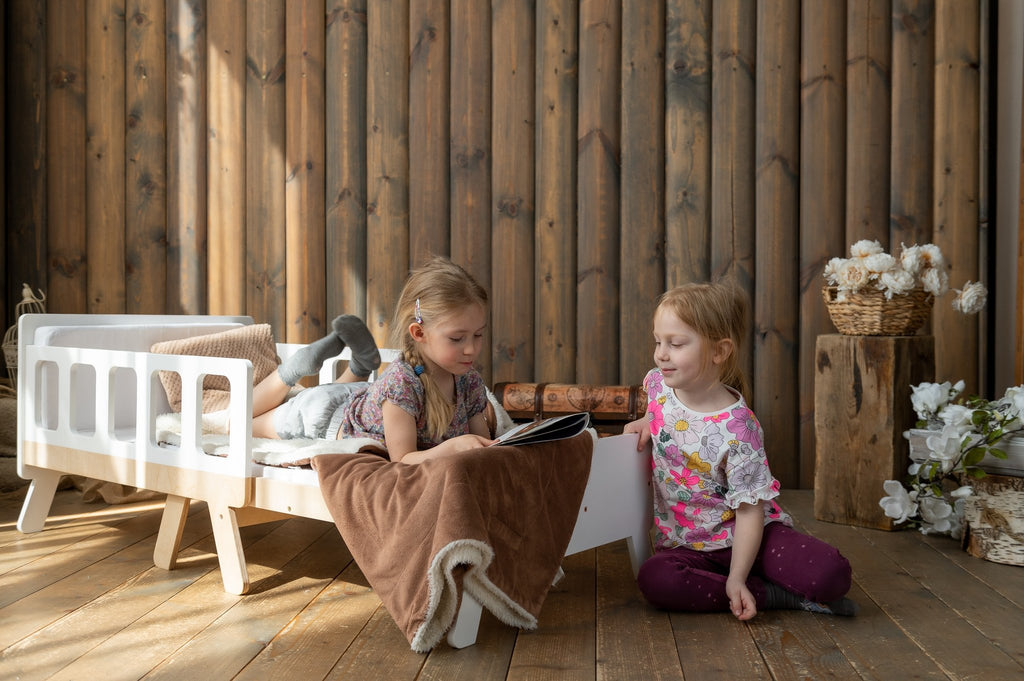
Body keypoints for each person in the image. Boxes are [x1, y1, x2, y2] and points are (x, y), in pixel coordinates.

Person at [623, 282, 856, 620]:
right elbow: (662, 412)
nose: (661, 353)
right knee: (657, 580)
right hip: (688, 544)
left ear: (719, 351)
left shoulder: (739, 429)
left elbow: (749, 512)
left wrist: (736, 575)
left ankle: (746, 580)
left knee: (832, 574)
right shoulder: (658, 385)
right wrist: (647, 419)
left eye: (675, 344)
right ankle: (774, 594)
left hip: (749, 536)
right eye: (658, 341)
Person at [245, 256, 495, 463]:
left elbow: (482, 446)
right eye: (457, 339)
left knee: (321, 395)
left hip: (359, 397)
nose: (471, 349)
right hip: (322, 416)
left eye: (479, 335)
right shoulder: (402, 384)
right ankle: (292, 370)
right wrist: (453, 448)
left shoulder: (469, 381)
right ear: (419, 333)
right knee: (239, 423)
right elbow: (403, 458)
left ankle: (361, 366)